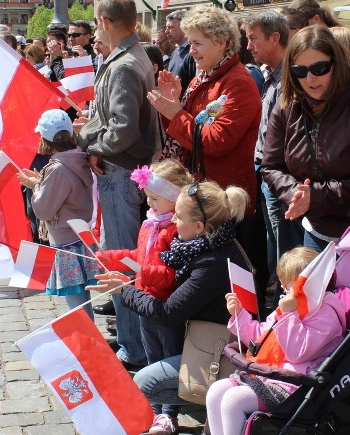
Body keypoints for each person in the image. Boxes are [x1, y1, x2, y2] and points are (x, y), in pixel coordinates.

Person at [88, 180, 251, 435]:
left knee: (145, 381)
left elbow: (167, 314)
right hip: (213, 340)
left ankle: (206, 403)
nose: (172, 219)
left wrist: (124, 289)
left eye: (179, 215)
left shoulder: (211, 261)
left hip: (223, 353)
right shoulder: (208, 245)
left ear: (199, 226)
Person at [148, 5, 264, 286]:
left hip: (224, 199)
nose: (192, 51)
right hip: (204, 195)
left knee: (229, 285)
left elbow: (215, 141)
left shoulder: (237, 83)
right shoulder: (206, 77)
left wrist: (175, 113)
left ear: (222, 42)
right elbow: (184, 134)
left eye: (198, 43)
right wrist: (174, 103)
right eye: (190, 44)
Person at [77, 0, 161, 368]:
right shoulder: (130, 55)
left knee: (121, 258)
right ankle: (133, 339)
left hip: (121, 169)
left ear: (105, 22)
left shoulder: (125, 63)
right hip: (124, 166)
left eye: (97, 22)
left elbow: (123, 129)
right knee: (124, 255)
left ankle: (134, 346)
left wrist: (89, 140)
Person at [264, 25, 350, 251]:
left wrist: (316, 197)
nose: (309, 79)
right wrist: (296, 194)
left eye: (319, 68)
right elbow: (271, 165)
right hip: (314, 230)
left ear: (335, 63)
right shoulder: (288, 104)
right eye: (299, 71)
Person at [205, 246, 347, 435]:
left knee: (233, 400)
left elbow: (298, 353)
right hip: (269, 375)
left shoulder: (326, 315)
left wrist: (288, 314)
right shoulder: (291, 307)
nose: (283, 289)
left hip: (295, 387)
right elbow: (261, 338)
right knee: (215, 391)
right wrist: (239, 315)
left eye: (289, 284)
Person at [96, 160, 193, 429]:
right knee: (152, 358)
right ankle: (152, 406)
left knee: (168, 356)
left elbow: (169, 275)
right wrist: (108, 258)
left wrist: (142, 272)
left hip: (164, 304)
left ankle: (169, 413)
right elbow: (137, 256)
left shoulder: (175, 231)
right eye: (148, 198)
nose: (149, 204)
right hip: (144, 302)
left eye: (155, 199)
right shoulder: (150, 223)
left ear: (174, 200)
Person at [18, 109, 98, 317]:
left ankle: (85, 344)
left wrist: (34, 187)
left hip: (65, 239)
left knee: (77, 304)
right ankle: (87, 340)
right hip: (80, 234)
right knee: (83, 298)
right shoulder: (77, 158)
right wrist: (40, 182)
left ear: (45, 138)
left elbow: (43, 209)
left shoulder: (57, 169)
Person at [245, 11, 304, 284]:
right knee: (277, 245)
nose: (249, 46)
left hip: (281, 178)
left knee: (288, 250)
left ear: (275, 38)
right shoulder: (272, 76)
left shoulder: (290, 79)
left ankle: (289, 304)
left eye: (254, 39)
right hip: (268, 174)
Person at [165, 10, 196, 93]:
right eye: (166, 27)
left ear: (183, 27)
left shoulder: (194, 53)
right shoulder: (174, 53)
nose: (166, 31)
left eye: (170, 27)